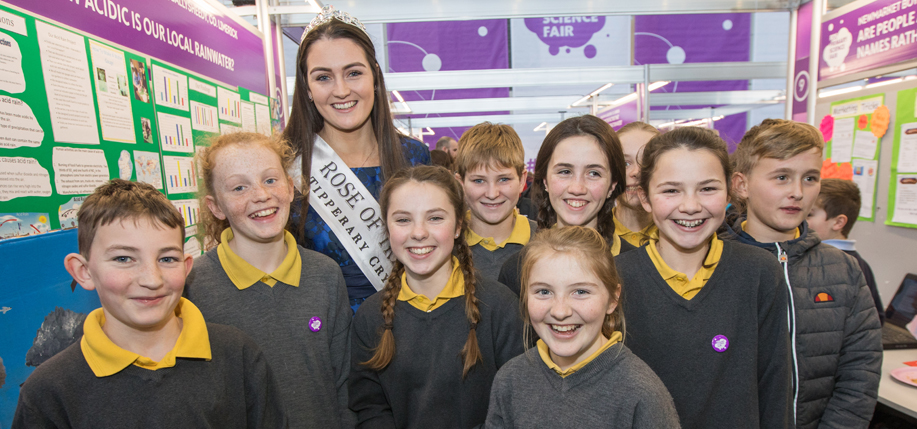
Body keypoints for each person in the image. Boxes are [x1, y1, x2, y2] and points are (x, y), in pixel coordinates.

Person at [13, 180, 286, 428]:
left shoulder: (238, 355)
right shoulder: (48, 392)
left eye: (167, 259)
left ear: (186, 267)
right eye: (123, 259)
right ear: (83, 271)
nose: (152, 280)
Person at [618, 127, 792, 429]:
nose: (690, 206)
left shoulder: (759, 273)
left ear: (729, 191)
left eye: (708, 189)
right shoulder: (615, 277)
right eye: (671, 191)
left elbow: (775, 389)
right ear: (645, 198)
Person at [185, 132, 353, 428]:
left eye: (270, 180)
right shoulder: (194, 285)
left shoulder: (325, 275)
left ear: (289, 187)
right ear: (216, 206)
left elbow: (345, 386)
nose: (261, 195)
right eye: (239, 187)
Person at [724, 119, 881, 429]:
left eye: (810, 178)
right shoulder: (714, 264)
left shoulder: (844, 269)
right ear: (741, 185)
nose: (797, 192)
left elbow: (861, 371)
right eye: (781, 177)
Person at [349, 166, 523, 429]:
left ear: (458, 226)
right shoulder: (370, 316)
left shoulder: (500, 307)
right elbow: (370, 407)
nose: (419, 232)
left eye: (435, 218)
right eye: (403, 220)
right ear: (387, 228)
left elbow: (514, 403)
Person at [284, 6, 431, 312]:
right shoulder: (286, 166)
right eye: (323, 77)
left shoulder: (414, 156)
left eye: (353, 73)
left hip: (408, 319)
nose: (341, 90)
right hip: (324, 324)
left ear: (374, 76)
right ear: (307, 88)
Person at [485, 226, 680, 429]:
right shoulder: (509, 380)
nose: (560, 311)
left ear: (613, 299)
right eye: (543, 291)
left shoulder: (642, 394)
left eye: (580, 292)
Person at [498, 115, 629, 295]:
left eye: (593, 173)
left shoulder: (637, 268)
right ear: (545, 180)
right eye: (565, 171)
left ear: (612, 186)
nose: (577, 188)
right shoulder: (517, 269)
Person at [455, 122, 536, 282]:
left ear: (522, 180)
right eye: (479, 181)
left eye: (504, 179)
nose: (492, 194)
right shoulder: (446, 245)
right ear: (461, 184)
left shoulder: (545, 241)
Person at [807, 178, 884, 324]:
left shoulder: (828, 265)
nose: (799, 220)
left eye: (809, 215)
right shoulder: (860, 263)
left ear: (838, 222)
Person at [613, 122, 659, 247]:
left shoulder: (677, 234)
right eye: (625, 163)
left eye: (646, 163)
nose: (636, 172)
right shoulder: (592, 234)